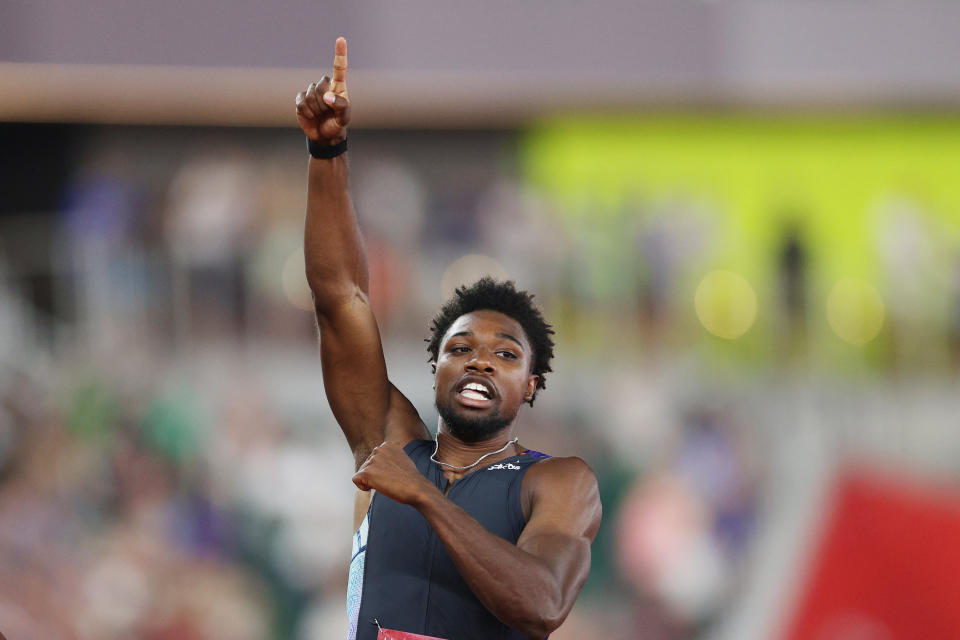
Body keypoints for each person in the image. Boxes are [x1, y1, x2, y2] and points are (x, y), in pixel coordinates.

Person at [295, 37, 602, 640]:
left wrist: (428, 500)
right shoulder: (384, 444)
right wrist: (326, 151)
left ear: (531, 384)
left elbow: (541, 606)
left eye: (505, 355)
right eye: (459, 349)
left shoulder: (556, 482)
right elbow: (341, 301)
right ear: (434, 367)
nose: (480, 362)